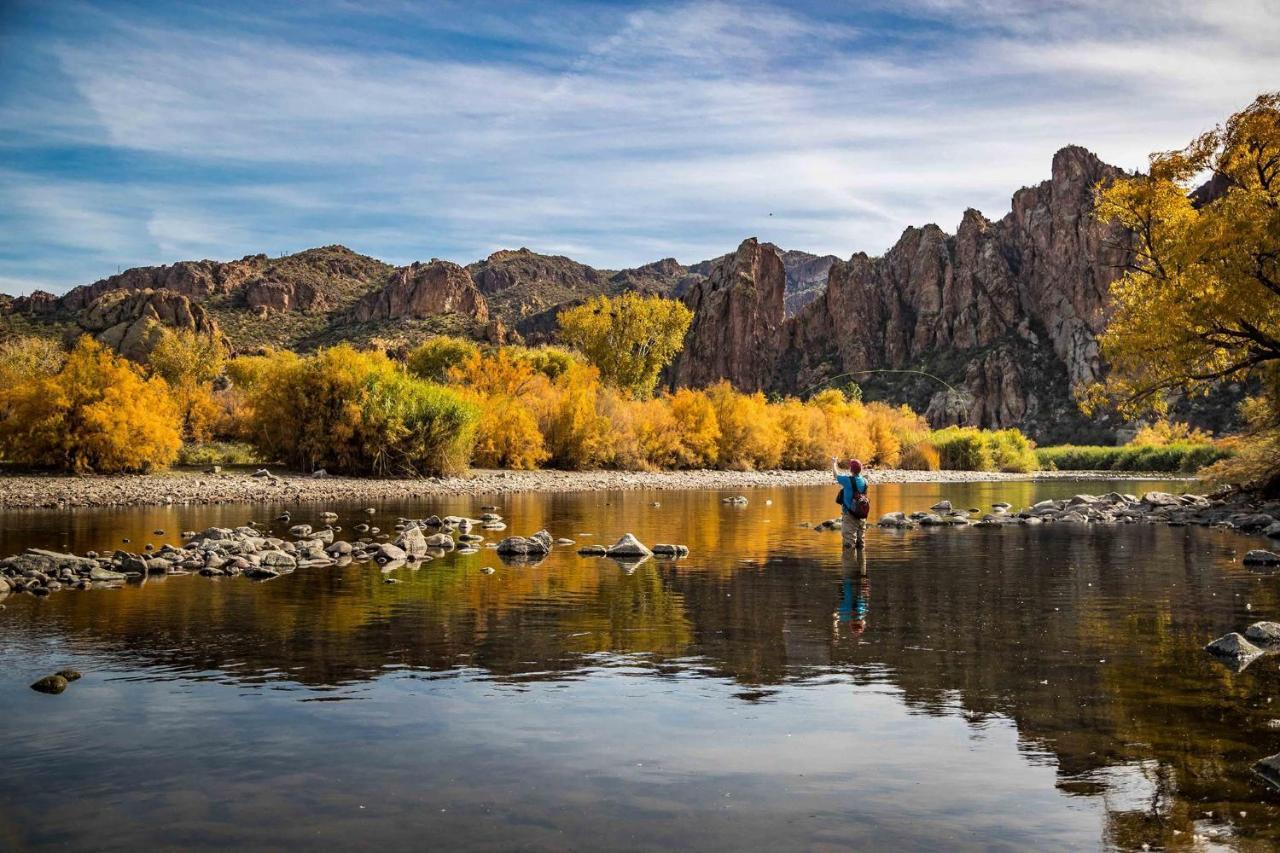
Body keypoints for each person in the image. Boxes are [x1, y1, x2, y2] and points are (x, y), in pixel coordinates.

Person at [832, 456, 869, 549]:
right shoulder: (865, 481)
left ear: (851, 469)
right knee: (861, 544)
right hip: (862, 515)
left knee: (849, 545)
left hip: (849, 515)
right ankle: (861, 562)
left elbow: (836, 475)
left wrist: (834, 463)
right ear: (860, 470)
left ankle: (849, 562)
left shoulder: (847, 480)